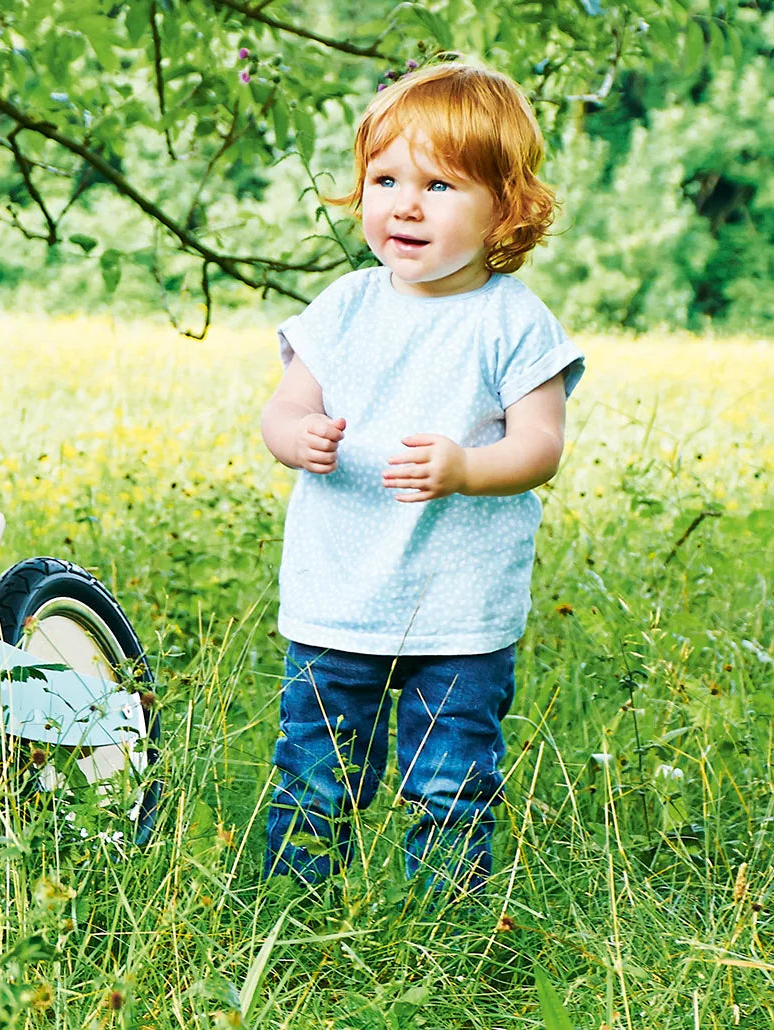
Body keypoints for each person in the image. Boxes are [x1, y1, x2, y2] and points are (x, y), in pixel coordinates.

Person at [259, 61, 584, 897]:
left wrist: (468, 466)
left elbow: (541, 444)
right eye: (385, 178)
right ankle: (292, 916)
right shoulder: (344, 307)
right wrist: (301, 435)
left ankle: (443, 928)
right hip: (340, 595)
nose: (405, 203)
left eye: (439, 183)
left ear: (505, 208)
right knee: (316, 776)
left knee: (451, 782)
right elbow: (281, 411)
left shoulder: (512, 321)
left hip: (459, 610)